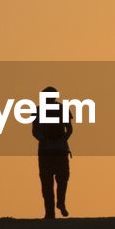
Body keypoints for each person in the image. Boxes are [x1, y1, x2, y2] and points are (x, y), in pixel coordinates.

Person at [32, 86, 72, 219]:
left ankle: (52, 210)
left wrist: (44, 140)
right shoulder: (61, 108)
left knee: (48, 183)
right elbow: (70, 129)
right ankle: (57, 205)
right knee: (60, 180)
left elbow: (35, 131)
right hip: (58, 150)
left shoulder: (39, 110)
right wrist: (62, 140)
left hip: (47, 151)